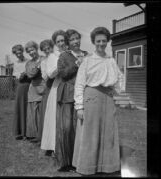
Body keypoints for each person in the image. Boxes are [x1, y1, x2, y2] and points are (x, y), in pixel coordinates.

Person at [73, 27, 124, 175]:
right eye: (98, 41)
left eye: (104, 41)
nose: (101, 43)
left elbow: (119, 80)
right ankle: (87, 166)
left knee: (108, 133)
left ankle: (107, 166)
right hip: (92, 98)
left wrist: (117, 89)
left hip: (107, 99)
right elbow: (80, 84)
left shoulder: (111, 61)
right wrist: (80, 107)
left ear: (107, 42)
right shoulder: (87, 60)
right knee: (90, 133)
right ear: (94, 42)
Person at [55, 29, 88, 172]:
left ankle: (80, 161)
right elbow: (62, 74)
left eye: (77, 38)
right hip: (68, 96)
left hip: (84, 95)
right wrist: (76, 64)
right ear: (68, 42)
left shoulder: (87, 54)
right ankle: (65, 162)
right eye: (72, 39)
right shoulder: (64, 56)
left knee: (80, 129)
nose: (76, 41)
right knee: (67, 128)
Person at [41, 30, 68, 156]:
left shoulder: (69, 53)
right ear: (55, 43)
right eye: (58, 41)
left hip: (69, 87)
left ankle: (66, 145)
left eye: (63, 40)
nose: (61, 43)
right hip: (57, 86)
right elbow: (50, 73)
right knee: (54, 117)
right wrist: (61, 64)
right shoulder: (53, 56)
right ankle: (53, 146)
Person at [25, 41, 46, 142]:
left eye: (32, 50)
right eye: (29, 51)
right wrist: (38, 66)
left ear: (36, 49)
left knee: (43, 111)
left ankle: (43, 134)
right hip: (33, 88)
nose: (31, 52)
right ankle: (34, 134)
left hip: (44, 87)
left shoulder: (44, 58)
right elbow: (30, 75)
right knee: (33, 111)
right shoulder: (28, 63)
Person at [12, 44, 31, 140]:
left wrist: (26, 74)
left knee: (27, 108)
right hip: (20, 86)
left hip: (28, 86)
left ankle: (27, 132)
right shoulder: (15, 63)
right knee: (20, 108)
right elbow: (15, 74)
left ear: (22, 52)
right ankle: (19, 132)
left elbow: (31, 72)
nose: (19, 55)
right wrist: (19, 75)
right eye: (16, 54)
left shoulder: (28, 61)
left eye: (20, 53)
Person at [37, 39, 54, 145]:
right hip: (49, 86)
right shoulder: (44, 61)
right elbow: (45, 76)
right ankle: (46, 138)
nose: (47, 50)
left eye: (49, 48)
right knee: (47, 111)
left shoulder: (58, 56)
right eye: (45, 50)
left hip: (59, 84)